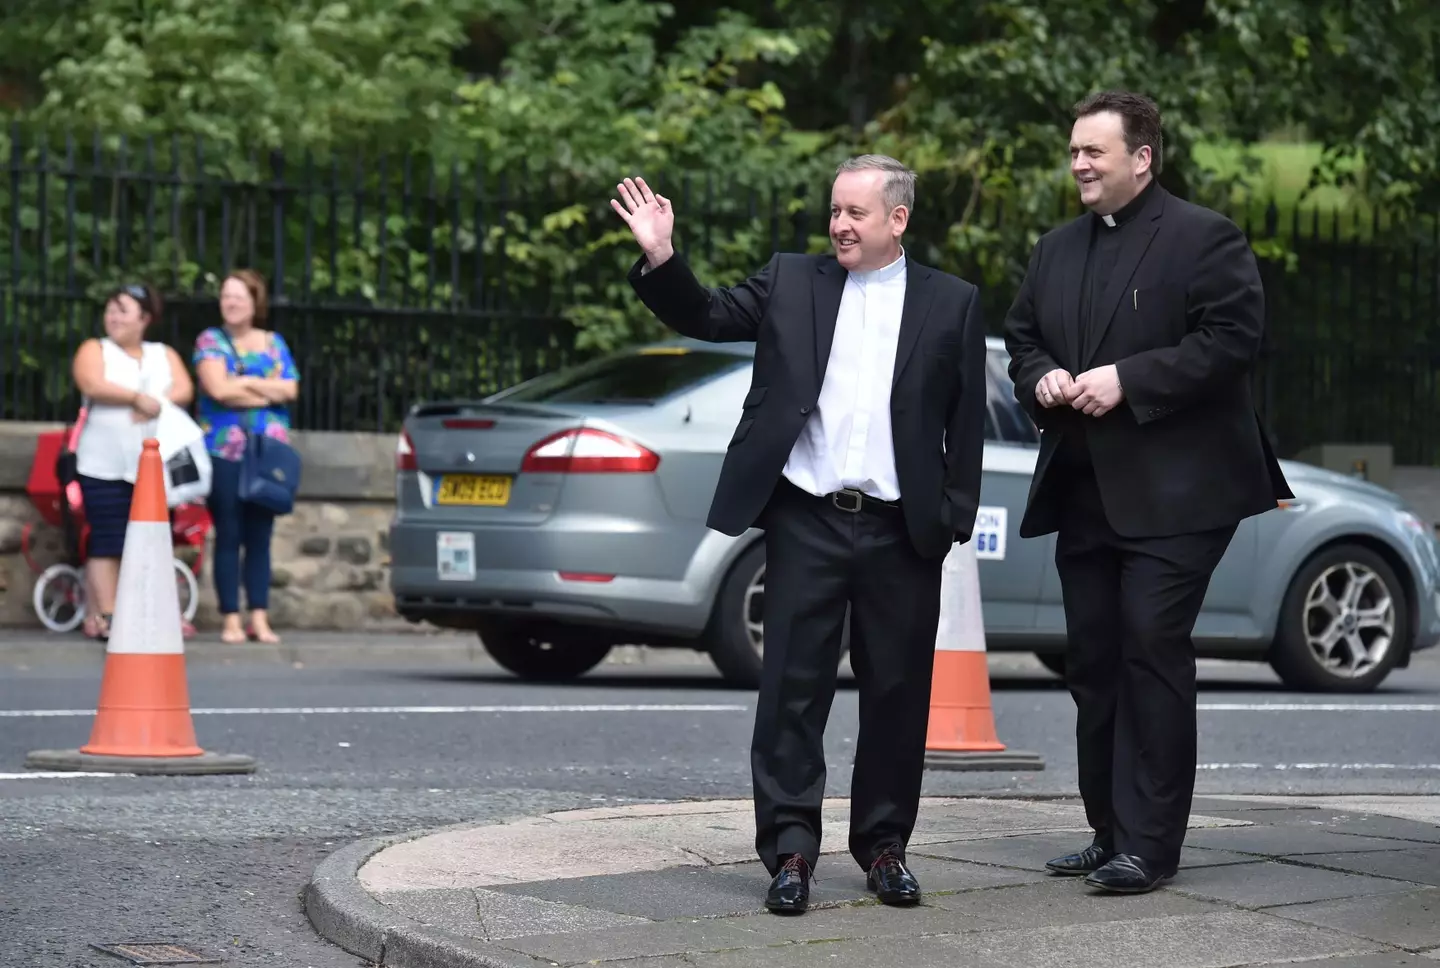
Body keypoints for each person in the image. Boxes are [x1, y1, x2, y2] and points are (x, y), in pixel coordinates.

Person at [610, 156, 988, 915]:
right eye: (834, 211)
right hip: (807, 518)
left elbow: (966, 421)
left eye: (855, 213)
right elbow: (709, 315)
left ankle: (885, 848)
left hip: (899, 529)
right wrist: (660, 255)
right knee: (790, 692)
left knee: (897, 695)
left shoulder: (952, 302)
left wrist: (951, 519)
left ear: (897, 220)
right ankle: (790, 851)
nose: (839, 224)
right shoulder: (792, 280)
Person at [1001, 91, 1293, 894]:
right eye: (1073, 152)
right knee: (1092, 662)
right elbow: (1022, 339)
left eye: (1094, 152)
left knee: (1149, 649)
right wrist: (1044, 378)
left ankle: (1151, 846)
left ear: (1142, 158)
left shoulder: (1205, 237)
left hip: (1181, 493)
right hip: (1085, 489)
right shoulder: (1056, 249)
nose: (1079, 165)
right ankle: (1110, 831)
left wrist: (1128, 380)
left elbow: (1233, 341)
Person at [70, 283, 194, 640]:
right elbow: (91, 383)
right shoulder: (96, 349)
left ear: (145, 318)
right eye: (110, 309)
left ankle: (151, 614)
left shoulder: (162, 353)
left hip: (154, 469)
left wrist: (155, 402)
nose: (113, 316)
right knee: (107, 540)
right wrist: (135, 399)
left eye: (123, 310)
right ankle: (108, 616)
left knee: (153, 540)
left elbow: (183, 389)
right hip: (102, 465)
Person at [193, 269, 300, 645]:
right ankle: (231, 620)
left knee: (260, 536)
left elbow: (290, 389)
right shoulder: (210, 340)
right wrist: (264, 390)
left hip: (267, 452)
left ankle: (260, 616)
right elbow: (217, 389)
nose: (231, 303)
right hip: (224, 451)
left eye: (239, 296)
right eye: (226, 296)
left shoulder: (274, 342)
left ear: (256, 302)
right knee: (229, 533)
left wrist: (245, 383)